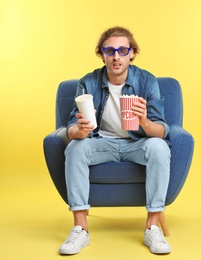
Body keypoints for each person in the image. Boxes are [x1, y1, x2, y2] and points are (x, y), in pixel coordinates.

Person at [59, 26, 171, 255]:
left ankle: (152, 227)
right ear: (102, 54)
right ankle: (80, 228)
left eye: (122, 50)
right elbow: (70, 127)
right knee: (75, 148)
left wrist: (144, 121)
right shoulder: (88, 82)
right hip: (101, 142)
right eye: (110, 51)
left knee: (159, 147)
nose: (116, 56)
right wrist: (78, 132)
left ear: (132, 53)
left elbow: (160, 131)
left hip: (137, 143)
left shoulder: (147, 81)